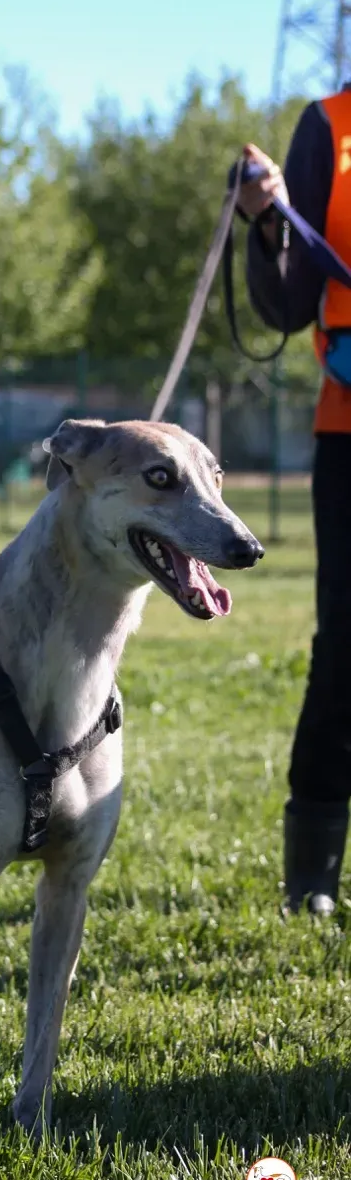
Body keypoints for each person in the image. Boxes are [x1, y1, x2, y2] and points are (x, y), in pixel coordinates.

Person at [238, 89, 351, 917]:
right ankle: (312, 873)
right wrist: (266, 219)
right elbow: (286, 303)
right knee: (344, 649)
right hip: (348, 430)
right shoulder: (329, 125)